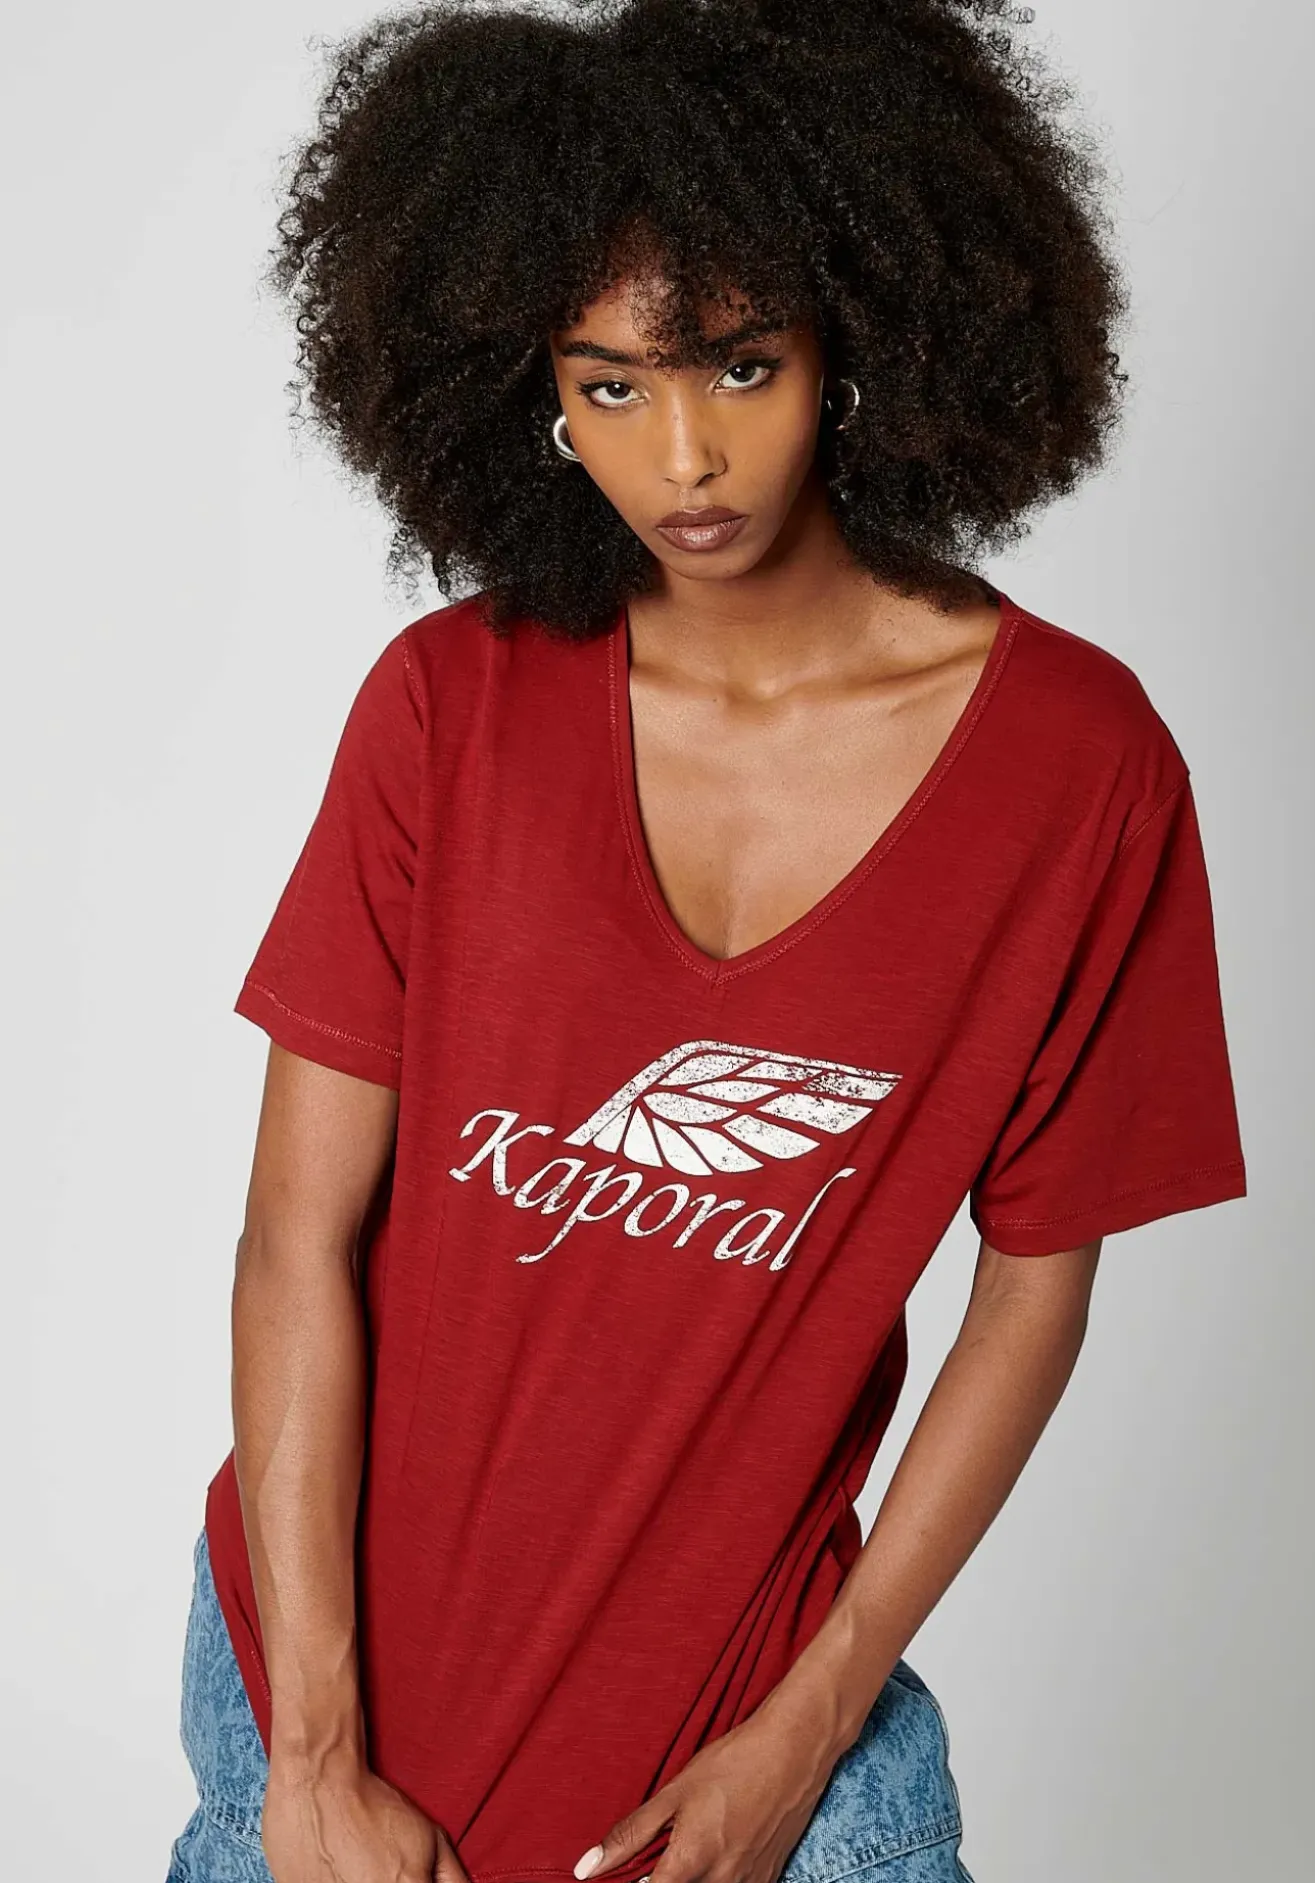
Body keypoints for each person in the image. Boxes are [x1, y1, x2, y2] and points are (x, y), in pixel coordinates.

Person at [166, 4, 1248, 1881]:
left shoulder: (1080, 769)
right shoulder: (448, 706)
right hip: (318, 1697)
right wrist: (314, 1756)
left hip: (760, 1753)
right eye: (608, 386)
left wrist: (810, 1726)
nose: (683, 456)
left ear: (858, 340)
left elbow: (1032, 1287)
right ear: (530, 391)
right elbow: (293, 1239)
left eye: (741, 365)